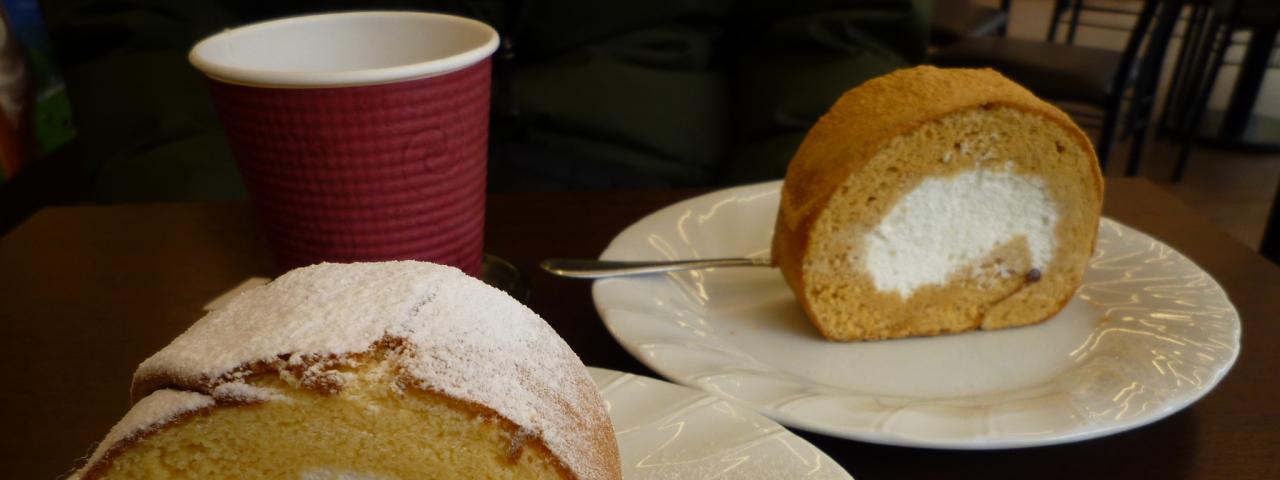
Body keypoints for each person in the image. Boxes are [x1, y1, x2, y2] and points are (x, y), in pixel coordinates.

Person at [40, 0, 929, 198]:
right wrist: (192, 215)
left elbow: (832, 29)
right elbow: (136, 37)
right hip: (290, 187)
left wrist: (789, 205)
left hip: (676, 206)